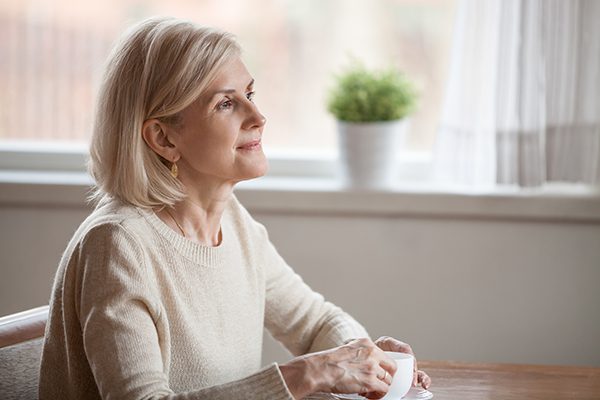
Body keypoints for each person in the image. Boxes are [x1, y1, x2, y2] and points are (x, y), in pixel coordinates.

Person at [39, 17, 431, 400]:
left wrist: (363, 356)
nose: (258, 118)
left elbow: (314, 323)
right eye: (226, 104)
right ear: (163, 137)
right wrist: (305, 375)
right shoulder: (117, 245)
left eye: (250, 94)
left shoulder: (232, 221)